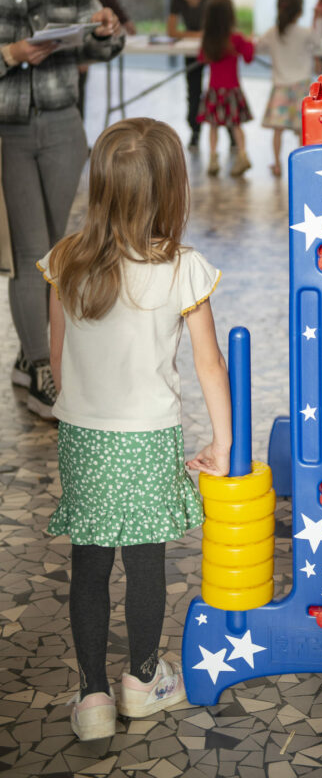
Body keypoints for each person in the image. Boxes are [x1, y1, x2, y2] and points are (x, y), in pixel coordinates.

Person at [37, 117, 231, 741]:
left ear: (100, 187)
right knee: (147, 564)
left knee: (89, 566)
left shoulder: (65, 259)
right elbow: (208, 363)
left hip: (84, 436)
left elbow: (57, 356)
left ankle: (92, 698)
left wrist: (88, 407)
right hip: (147, 439)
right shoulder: (183, 269)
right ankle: (144, 681)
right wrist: (222, 444)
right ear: (172, 191)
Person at [0, 0, 124, 419]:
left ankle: (52, 356)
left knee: (61, 250)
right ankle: (37, 365)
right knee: (31, 251)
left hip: (61, 125)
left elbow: (108, 41)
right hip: (8, 131)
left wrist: (104, 29)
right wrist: (10, 53)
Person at [257, 0, 316, 177]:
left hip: (281, 87)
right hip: (301, 87)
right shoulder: (305, 33)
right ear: (299, 12)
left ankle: (277, 164)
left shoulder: (273, 33)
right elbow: (319, 41)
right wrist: (320, 19)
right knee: (301, 130)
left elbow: (257, 46)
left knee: (278, 131)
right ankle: (303, 164)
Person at [197, 0, 254, 177]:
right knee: (236, 125)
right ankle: (243, 156)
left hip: (214, 90)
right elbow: (248, 57)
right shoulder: (236, 38)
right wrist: (250, 41)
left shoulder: (208, 39)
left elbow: (202, 58)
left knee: (213, 126)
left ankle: (213, 158)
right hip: (232, 90)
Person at [166, 0, 212, 148]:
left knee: (221, 90)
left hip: (212, 48)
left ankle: (232, 136)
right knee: (193, 91)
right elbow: (171, 30)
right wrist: (196, 34)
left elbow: (214, 29)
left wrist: (198, 34)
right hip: (190, 48)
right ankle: (195, 131)